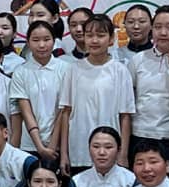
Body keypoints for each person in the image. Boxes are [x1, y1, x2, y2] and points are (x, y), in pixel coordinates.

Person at [55, 16, 135, 172]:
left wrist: (123, 154)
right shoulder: (73, 69)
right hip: (79, 150)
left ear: (111, 39)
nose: (94, 40)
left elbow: (125, 116)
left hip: (110, 151)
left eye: (100, 35)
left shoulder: (120, 71)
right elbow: (66, 113)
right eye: (89, 35)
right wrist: (64, 154)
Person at [9, 22, 70, 162]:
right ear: (28, 42)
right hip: (29, 145)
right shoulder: (20, 72)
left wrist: (52, 145)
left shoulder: (66, 69)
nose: (41, 45)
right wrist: (40, 148)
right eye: (36, 40)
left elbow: (64, 110)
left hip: (59, 144)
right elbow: (26, 112)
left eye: (46, 39)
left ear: (54, 41)